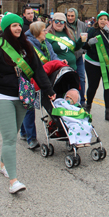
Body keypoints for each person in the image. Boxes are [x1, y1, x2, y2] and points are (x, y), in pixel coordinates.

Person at [0, 13, 56, 193]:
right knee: (10, 137)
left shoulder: (26, 46)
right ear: (6, 28)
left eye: (19, 25)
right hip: (0, 96)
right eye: (13, 26)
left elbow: (38, 71)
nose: (18, 28)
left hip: (22, 96)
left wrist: (49, 91)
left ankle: (4, 164)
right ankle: (13, 181)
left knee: (13, 133)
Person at [20, 21, 64, 149]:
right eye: (44, 30)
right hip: (29, 78)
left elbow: (54, 56)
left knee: (29, 108)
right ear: (38, 32)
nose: (46, 32)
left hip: (44, 77)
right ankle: (31, 138)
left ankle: (24, 131)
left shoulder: (46, 43)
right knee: (29, 108)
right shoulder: (28, 45)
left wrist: (60, 62)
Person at [82, 11, 109, 122]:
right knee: (93, 87)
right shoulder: (92, 30)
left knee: (108, 87)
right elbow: (84, 45)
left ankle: (108, 111)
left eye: (105, 19)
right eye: (101, 19)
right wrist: (89, 43)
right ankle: (88, 107)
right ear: (97, 21)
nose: (103, 21)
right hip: (93, 63)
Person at [66, 8, 88, 106]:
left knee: (81, 78)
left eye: (72, 16)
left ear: (76, 16)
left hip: (78, 57)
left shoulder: (82, 25)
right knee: (68, 79)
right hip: (68, 56)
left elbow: (86, 37)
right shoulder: (64, 25)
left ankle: (82, 100)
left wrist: (84, 49)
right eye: (68, 16)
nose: (70, 18)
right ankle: (68, 99)